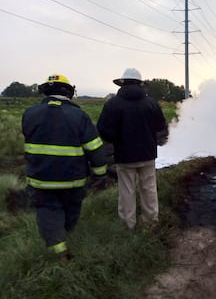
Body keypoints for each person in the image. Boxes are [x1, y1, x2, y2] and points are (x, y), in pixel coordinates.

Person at [22, 74, 107, 261]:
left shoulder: (29, 113)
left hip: (40, 180)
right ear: (69, 92)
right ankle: (62, 251)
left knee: (48, 212)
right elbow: (95, 149)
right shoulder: (79, 116)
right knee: (70, 212)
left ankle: (57, 247)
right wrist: (100, 174)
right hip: (72, 181)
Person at [97, 68, 166, 230]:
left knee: (126, 190)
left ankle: (128, 224)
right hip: (148, 155)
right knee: (149, 188)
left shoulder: (113, 104)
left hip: (124, 155)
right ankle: (151, 221)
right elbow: (160, 125)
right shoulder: (151, 103)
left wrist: (115, 141)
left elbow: (103, 129)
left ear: (122, 83)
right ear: (140, 84)